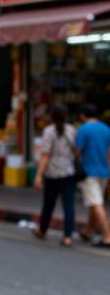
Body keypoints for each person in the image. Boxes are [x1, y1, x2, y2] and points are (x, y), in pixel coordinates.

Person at [32, 105, 76, 246]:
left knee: (48, 204)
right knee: (68, 205)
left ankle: (42, 230)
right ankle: (68, 236)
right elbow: (76, 151)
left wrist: (38, 175)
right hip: (69, 171)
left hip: (52, 173)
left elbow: (45, 155)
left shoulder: (48, 131)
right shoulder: (72, 130)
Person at [75, 103, 110, 247]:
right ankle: (88, 231)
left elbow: (77, 151)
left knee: (96, 203)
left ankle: (107, 237)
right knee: (94, 203)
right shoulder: (106, 129)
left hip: (88, 171)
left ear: (83, 115)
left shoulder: (83, 129)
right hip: (104, 171)